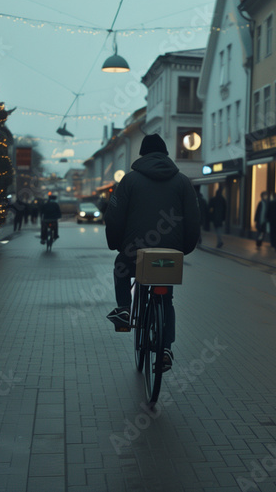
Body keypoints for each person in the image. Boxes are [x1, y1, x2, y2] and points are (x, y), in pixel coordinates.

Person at [105, 134, 201, 372]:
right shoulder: (183, 182)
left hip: (135, 251)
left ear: (142, 155)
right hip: (169, 254)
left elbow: (114, 216)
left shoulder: (128, 181)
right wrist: (185, 248)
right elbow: (194, 218)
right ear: (166, 154)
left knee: (121, 268)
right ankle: (166, 349)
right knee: (166, 298)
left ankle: (125, 310)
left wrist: (115, 243)